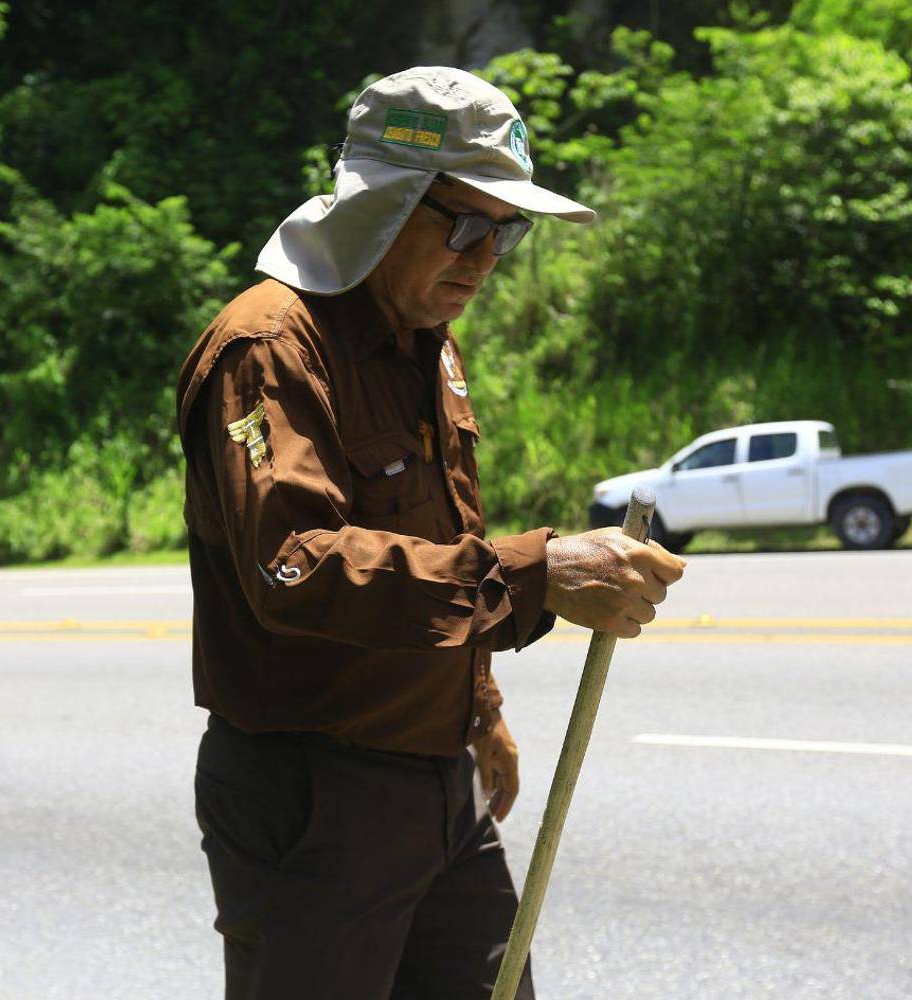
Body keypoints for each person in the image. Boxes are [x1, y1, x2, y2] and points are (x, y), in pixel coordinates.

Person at [176, 66, 686, 1000]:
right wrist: (540, 574)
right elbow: (296, 567)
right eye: (463, 223)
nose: (485, 256)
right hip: (313, 794)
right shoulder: (272, 349)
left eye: (507, 230)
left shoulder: (427, 337)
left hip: (441, 782)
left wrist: (481, 711)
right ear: (382, 203)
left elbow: (444, 526)